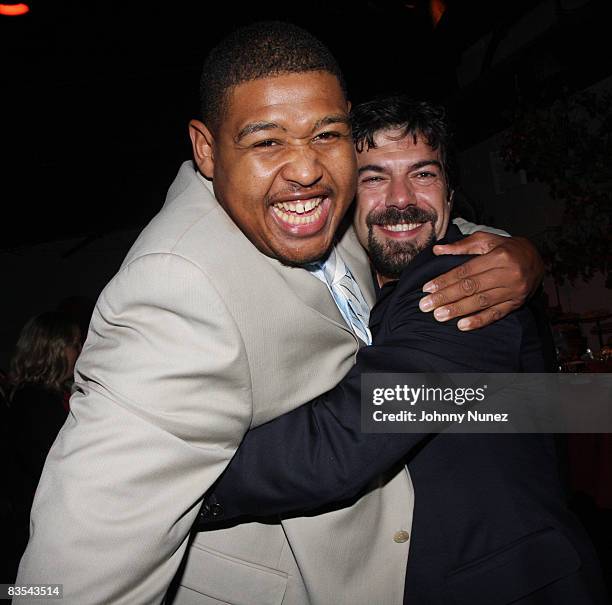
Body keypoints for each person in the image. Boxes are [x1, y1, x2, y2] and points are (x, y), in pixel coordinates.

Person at [16, 23, 543, 605]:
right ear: (207, 151)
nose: (305, 169)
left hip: (506, 573)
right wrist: (176, 487)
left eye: (423, 174)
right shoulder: (177, 286)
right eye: (266, 141)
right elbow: (76, 569)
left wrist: (523, 251)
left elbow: (381, 416)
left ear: (451, 191)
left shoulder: (458, 271)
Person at [198, 97, 608, 604]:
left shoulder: (465, 282)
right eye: (374, 178)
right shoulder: (359, 287)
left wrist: (191, 479)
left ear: (451, 196)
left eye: (423, 175)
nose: (401, 199)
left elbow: (355, 429)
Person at [5, 312, 81, 580]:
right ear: (54, 349)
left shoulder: (54, 395)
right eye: (74, 344)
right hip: (29, 526)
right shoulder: (34, 401)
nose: (79, 351)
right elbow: (53, 463)